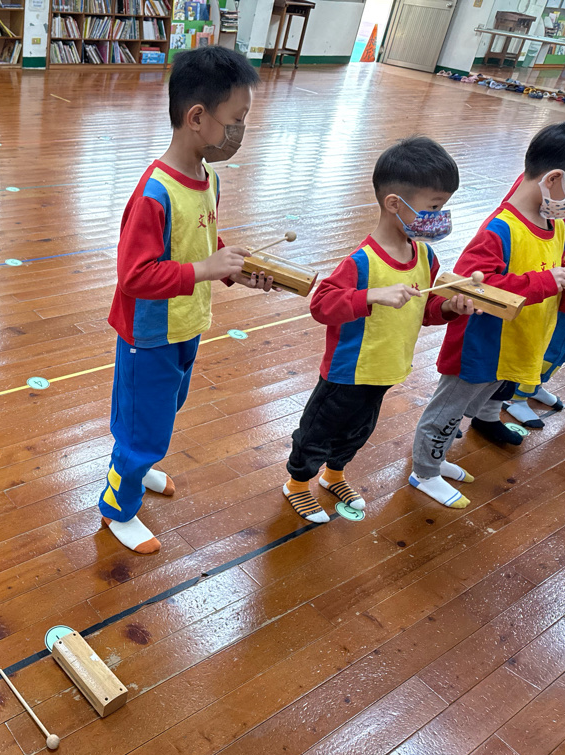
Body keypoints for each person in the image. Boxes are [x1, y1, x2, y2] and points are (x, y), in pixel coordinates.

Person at [99, 46, 274, 553]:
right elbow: (134, 276)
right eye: (235, 121)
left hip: (186, 322)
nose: (239, 132)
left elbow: (200, 243)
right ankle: (117, 506)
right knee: (142, 426)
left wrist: (232, 269)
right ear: (197, 117)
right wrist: (205, 269)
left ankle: (139, 466)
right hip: (150, 332)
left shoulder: (208, 178)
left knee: (164, 409)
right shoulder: (154, 193)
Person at [284, 137, 474, 523]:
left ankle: (334, 475)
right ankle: (298, 484)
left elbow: (426, 310)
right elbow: (321, 306)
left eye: (443, 207)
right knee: (318, 432)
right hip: (347, 373)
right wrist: (370, 295)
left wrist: (449, 307)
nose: (439, 216)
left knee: (357, 431)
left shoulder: (425, 255)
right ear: (394, 204)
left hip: (386, 370)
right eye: (433, 207)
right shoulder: (361, 262)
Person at [410, 120, 565, 508]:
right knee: (447, 414)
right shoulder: (500, 230)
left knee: (465, 410)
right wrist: (544, 282)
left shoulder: (555, 226)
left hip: (513, 345)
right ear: (555, 179)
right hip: (479, 347)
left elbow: (548, 277)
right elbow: (469, 287)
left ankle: (434, 460)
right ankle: (424, 471)